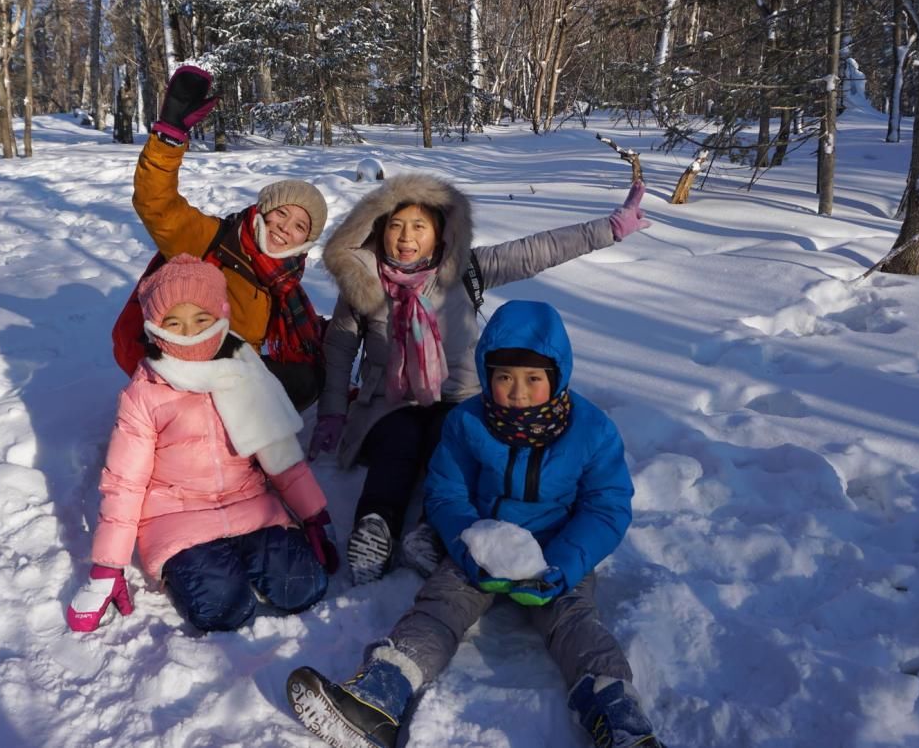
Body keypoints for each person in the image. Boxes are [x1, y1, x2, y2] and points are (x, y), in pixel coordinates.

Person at [287, 300, 667, 748]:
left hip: (556, 550)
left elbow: (607, 507)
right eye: (505, 377)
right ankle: (379, 695)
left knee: (577, 623)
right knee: (437, 608)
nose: (518, 392)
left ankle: (618, 720)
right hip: (483, 544)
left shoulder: (591, 430)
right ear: (487, 377)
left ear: (557, 376)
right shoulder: (468, 422)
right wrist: (468, 545)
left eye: (533, 379)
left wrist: (563, 565)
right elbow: (447, 492)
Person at [308, 172, 649, 583]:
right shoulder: (361, 283)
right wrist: (331, 413)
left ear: (440, 232)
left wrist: (608, 229)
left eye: (419, 226)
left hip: (460, 397)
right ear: (379, 230)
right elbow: (340, 348)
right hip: (390, 401)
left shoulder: (465, 269)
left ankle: (429, 532)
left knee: (448, 447)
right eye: (395, 226)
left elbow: (534, 251)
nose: (405, 237)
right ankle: (374, 528)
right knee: (397, 444)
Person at [68, 255, 338, 634]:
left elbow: (280, 451)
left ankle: (246, 557)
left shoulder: (243, 369)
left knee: (305, 587)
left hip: (250, 508)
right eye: (173, 323)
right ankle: (213, 568)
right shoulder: (145, 393)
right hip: (178, 522)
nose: (189, 333)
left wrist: (312, 514)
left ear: (221, 316)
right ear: (154, 329)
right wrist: (107, 566)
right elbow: (124, 482)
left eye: (201, 320)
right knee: (223, 609)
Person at [126, 65, 329, 410]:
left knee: (307, 378)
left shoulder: (283, 279)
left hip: (232, 376)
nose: (285, 228)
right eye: (281, 213)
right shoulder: (212, 241)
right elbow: (155, 202)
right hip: (183, 373)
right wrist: (169, 137)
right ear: (262, 211)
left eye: (299, 226)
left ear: (306, 241)